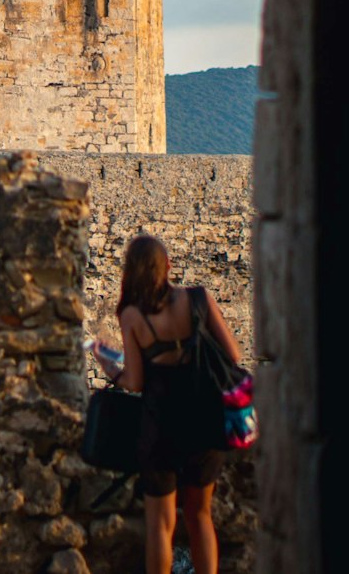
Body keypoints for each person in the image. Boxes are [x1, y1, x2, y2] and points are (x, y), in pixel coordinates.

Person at [92, 235, 242, 574]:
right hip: (205, 424)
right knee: (200, 516)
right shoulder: (200, 299)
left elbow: (135, 382)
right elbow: (233, 356)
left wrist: (107, 365)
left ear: (131, 273)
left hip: (160, 429)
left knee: (160, 526)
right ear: (168, 266)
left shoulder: (133, 316)